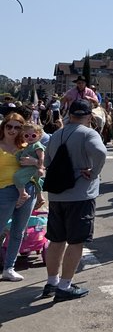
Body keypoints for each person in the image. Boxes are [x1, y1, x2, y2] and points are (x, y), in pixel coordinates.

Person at [42, 99, 108, 301]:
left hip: (56, 196)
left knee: (56, 240)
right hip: (80, 195)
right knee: (76, 242)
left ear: (70, 115)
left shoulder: (56, 135)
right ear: (89, 116)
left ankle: (51, 282)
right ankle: (65, 286)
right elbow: (101, 152)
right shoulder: (89, 133)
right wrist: (94, 172)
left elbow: (47, 162)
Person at [0, 113, 39, 281]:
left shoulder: (27, 146)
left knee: (18, 232)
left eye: (17, 127)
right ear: (3, 127)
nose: (13, 130)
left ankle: (9, 268)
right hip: (4, 191)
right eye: (9, 126)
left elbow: (42, 168)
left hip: (28, 190)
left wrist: (36, 163)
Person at [13, 123, 46, 205]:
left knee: (17, 177)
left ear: (39, 135)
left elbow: (42, 157)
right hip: (29, 167)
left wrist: (40, 168)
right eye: (26, 136)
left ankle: (22, 193)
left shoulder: (37, 145)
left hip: (33, 168)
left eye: (33, 135)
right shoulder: (28, 146)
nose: (30, 137)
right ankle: (40, 197)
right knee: (37, 181)